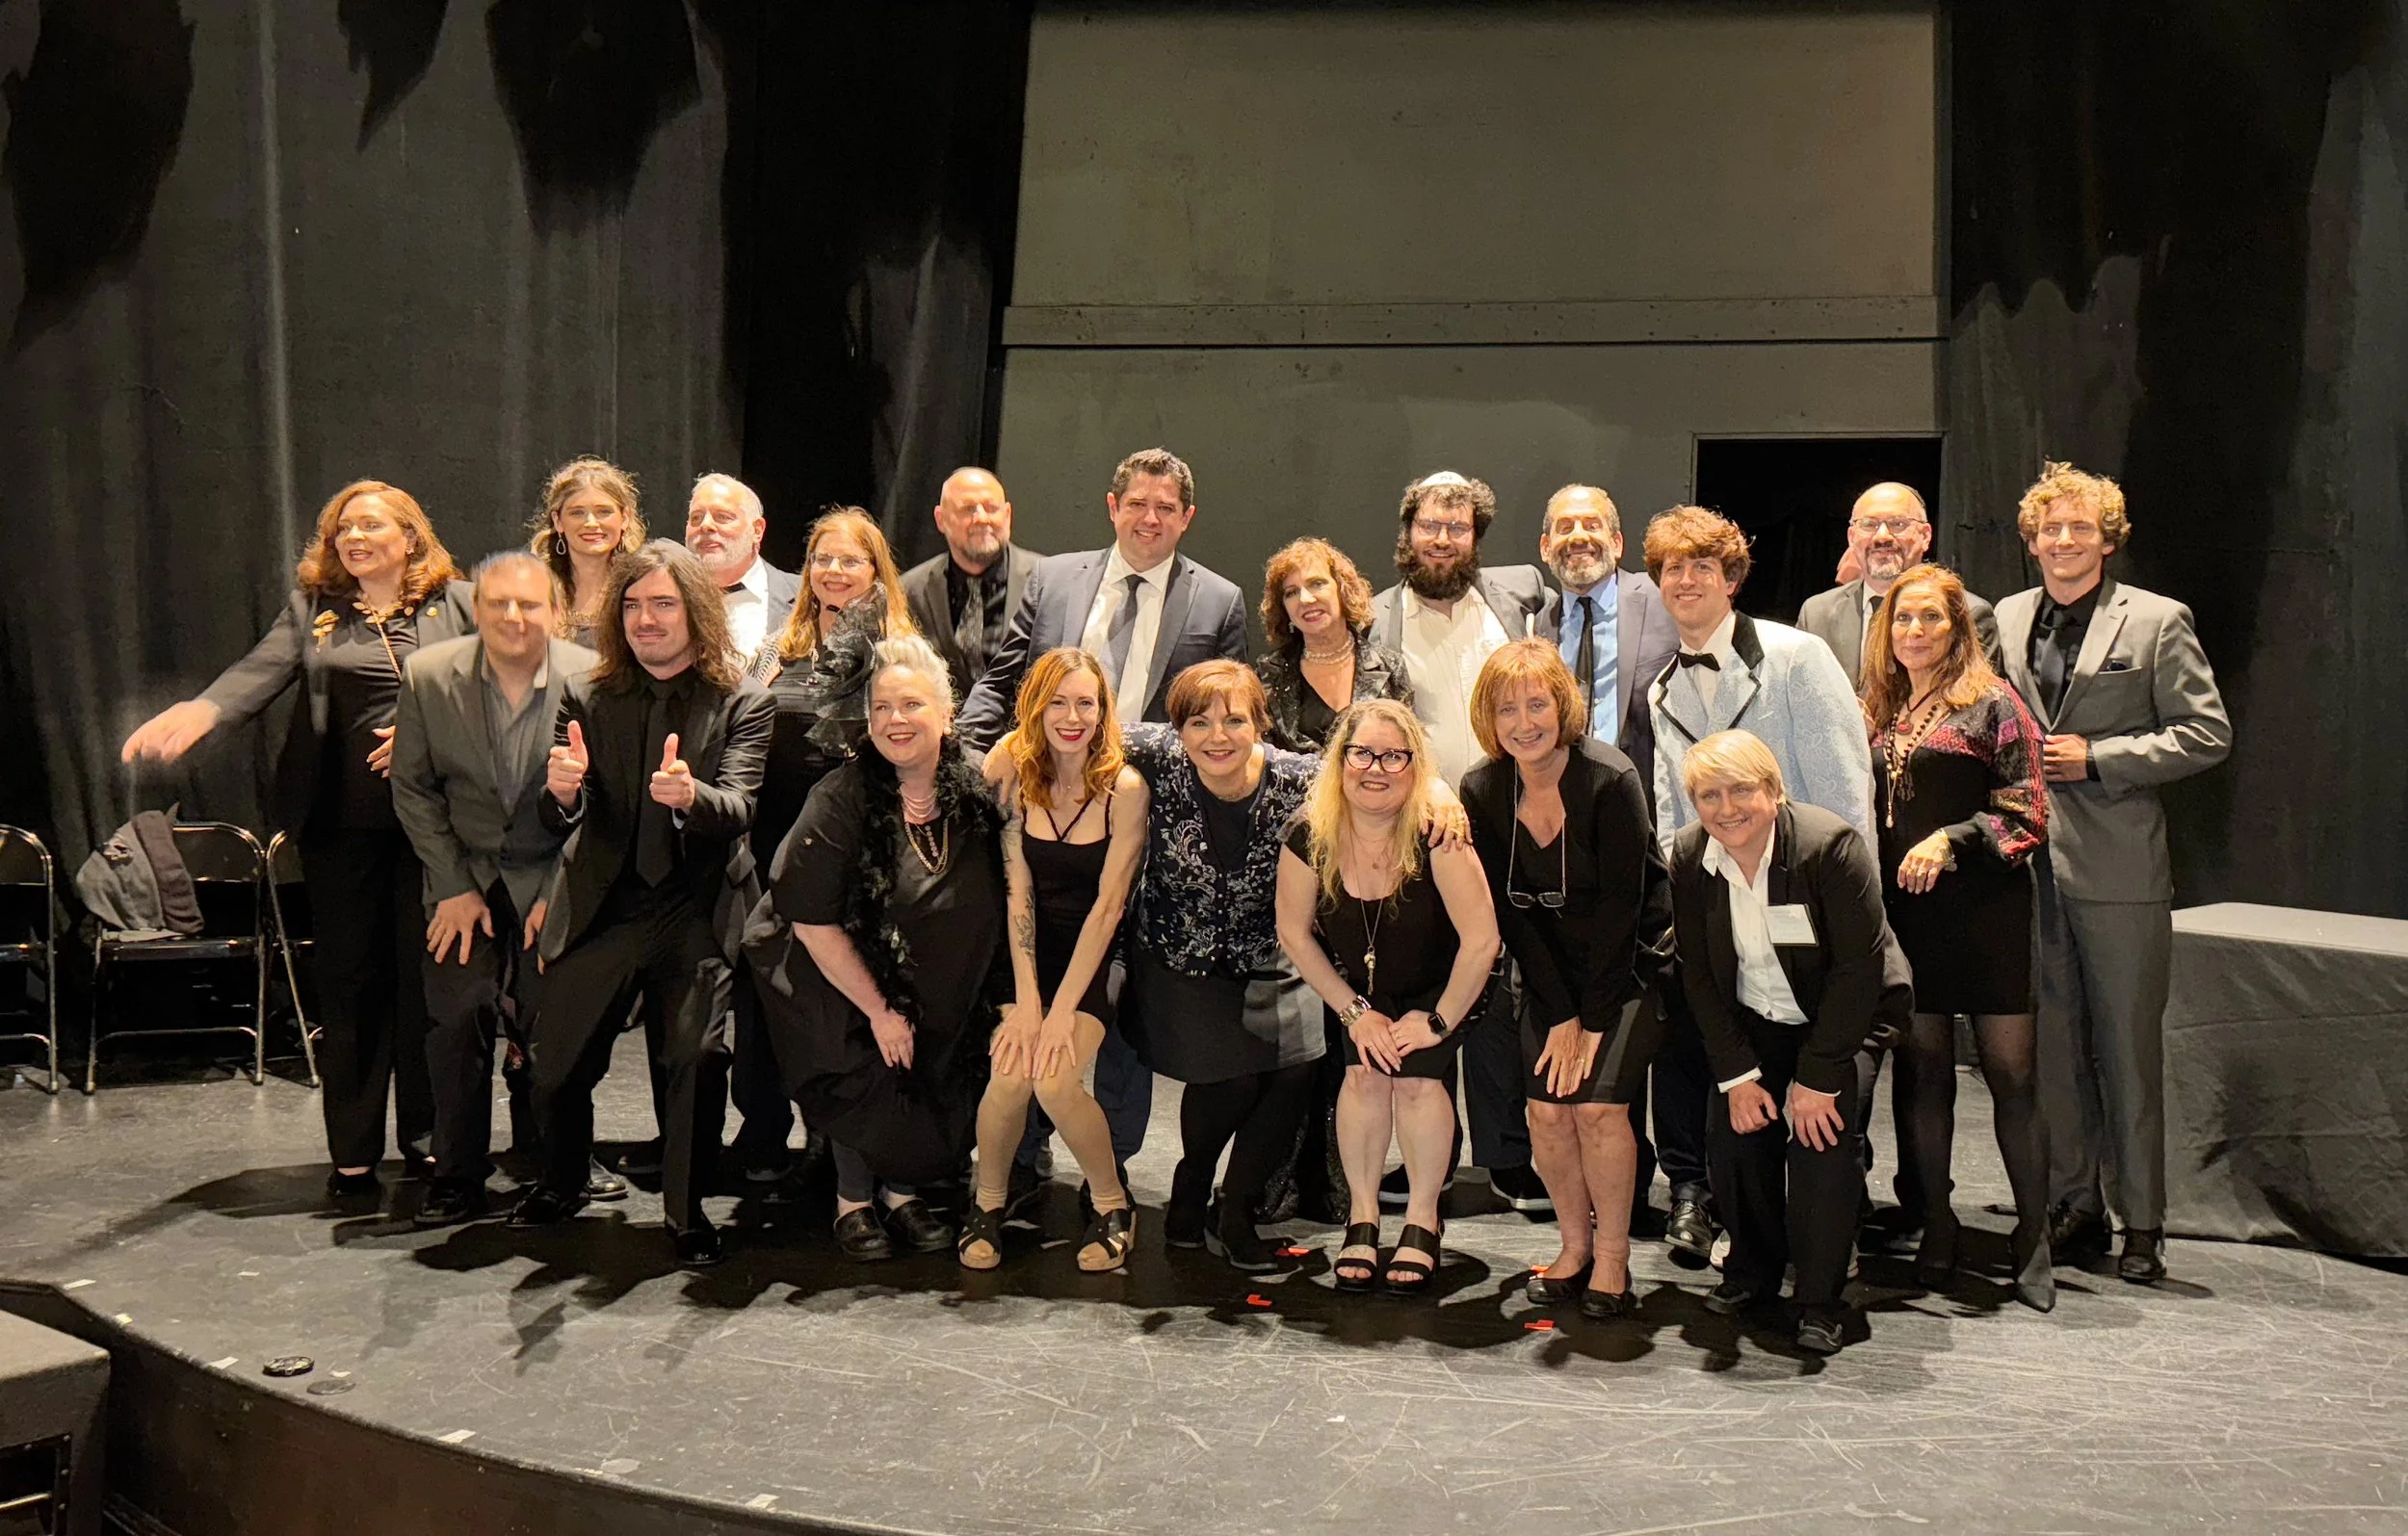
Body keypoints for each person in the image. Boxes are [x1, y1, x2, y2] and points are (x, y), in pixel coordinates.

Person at [122, 481, 472, 1201]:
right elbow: (258, 672)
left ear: (410, 536)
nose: (354, 537)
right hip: (341, 833)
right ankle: (352, 1151)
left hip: (437, 833)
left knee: (427, 989)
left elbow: (502, 689)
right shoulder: (314, 612)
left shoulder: (460, 605)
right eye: (344, 528)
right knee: (348, 988)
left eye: (371, 525)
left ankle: (431, 1142)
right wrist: (204, 707)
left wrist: (427, 735)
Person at [507, 541, 773, 1269]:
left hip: (696, 906)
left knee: (694, 1056)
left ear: (695, 609)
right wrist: (560, 793)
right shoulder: (588, 696)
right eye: (632, 605)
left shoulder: (741, 698)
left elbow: (742, 804)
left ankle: (685, 1215)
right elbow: (561, 809)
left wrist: (693, 799)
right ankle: (562, 1182)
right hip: (608, 901)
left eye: (663, 604)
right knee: (553, 1064)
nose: (646, 619)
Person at [1996, 463, 2230, 1284]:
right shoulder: (2009, 615)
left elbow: (2206, 734)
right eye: (2050, 529)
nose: (2064, 540)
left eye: (2080, 528)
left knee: (2127, 1050)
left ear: (2108, 537)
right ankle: (2076, 1205)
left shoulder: (2159, 621)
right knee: (2054, 1048)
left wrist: (2099, 758)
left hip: (2122, 868)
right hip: (2029, 867)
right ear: (2032, 540)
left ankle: (2144, 1222)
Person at [1642, 504, 1873, 1268]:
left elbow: (1845, 792)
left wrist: (1848, 903)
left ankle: (1829, 1215)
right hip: (1725, 914)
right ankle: (1725, 1213)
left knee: (1822, 1065)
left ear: (1732, 576)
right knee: (1729, 1062)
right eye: (1672, 568)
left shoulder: (1797, 657)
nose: (1686, 580)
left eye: (1702, 566)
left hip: (1811, 904)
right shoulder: (1660, 687)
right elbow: (1677, 815)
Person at [743, 635, 1008, 1263]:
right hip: (828, 968)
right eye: (883, 707)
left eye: (912, 704)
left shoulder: (971, 790)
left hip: (932, 970)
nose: (896, 719)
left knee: (928, 1055)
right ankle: (853, 1199)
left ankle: (899, 1190)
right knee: (864, 1047)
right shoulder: (841, 799)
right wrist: (880, 1010)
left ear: (946, 714)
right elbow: (812, 922)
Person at [1666, 731, 1912, 1355]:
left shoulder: (1829, 847)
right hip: (1759, 1015)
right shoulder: (1692, 858)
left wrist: (1820, 1074)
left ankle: (1819, 1298)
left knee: (1820, 1141)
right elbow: (1696, 970)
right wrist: (1736, 1073)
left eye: (1742, 789)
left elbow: (1857, 971)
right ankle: (1753, 1270)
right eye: (1709, 795)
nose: (1727, 807)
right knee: (1733, 1133)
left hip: (1845, 1018)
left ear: (1774, 792)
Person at [388, 551, 614, 1225]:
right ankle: (457, 1174)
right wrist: (453, 885)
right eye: (498, 604)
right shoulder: (429, 676)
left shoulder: (595, 679)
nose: (514, 617)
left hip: (556, 875)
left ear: (556, 611)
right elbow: (413, 787)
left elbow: (607, 800)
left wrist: (561, 890)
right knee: (457, 1019)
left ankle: (558, 1169)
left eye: (530, 604)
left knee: (556, 1030)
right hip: (466, 881)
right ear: (476, 608)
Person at [1461, 641, 1673, 1317]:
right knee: (1548, 1111)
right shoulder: (1482, 788)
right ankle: (1574, 1246)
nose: (1525, 722)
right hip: (1547, 968)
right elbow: (1509, 914)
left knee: (1599, 1108)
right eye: (1507, 709)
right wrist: (1558, 1011)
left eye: (1537, 703)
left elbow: (1622, 909)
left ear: (1563, 705)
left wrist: (1590, 1017)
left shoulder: (1611, 779)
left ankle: (1612, 1255)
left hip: (1631, 963)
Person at [1865, 565, 2056, 1310]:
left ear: (1958, 628)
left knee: (2012, 1078)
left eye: (1930, 619)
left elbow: (2028, 811)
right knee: (1925, 1077)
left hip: (1987, 914)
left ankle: (2032, 1234)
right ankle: (1938, 1225)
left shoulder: (1994, 701)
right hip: (1909, 917)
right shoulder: (1882, 706)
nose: (1914, 631)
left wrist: (1954, 838)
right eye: (1902, 619)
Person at [1364, 470, 1551, 1214]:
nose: (1443, 539)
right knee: (1423, 986)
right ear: (1406, 532)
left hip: (1502, 822)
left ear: (1476, 537)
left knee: (1501, 997)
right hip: (1414, 825)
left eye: (1458, 526)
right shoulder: (1374, 617)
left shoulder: (1517, 602)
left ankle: (1506, 1156)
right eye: (1430, 525)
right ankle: (1422, 1159)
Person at [1276, 700, 1501, 1295]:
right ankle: (1365, 1215)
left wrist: (1436, 1021)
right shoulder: (1309, 834)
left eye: (1395, 756)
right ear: (1341, 760)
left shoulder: (1438, 834)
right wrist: (1353, 1012)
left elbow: (1482, 942)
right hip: (1360, 988)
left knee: (1421, 1082)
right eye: (1362, 753)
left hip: (1445, 983)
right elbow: (1293, 933)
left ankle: (1424, 1217)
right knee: (1364, 1080)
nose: (1376, 768)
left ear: (1415, 766)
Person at [1117, 662, 1327, 1268]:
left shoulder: (1300, 778)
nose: (1217, 736)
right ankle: (1191, 1187)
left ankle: (1235, 1208)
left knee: (1296, 1069)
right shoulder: (1158, 755)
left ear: (1260, 724)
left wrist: (1442, 792)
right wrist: (1004, 752)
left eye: (1235, 720)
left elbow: (1383, 761)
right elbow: (1072, 725)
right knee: (1231, 1077)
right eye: (1199, 721)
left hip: (1271, 953)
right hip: (1179, 956)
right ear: (1176, 728)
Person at [731, 508, 918, 1187]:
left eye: (850, 560)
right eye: (822, 559)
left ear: (876, 571)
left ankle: (843, 1142)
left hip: (857, 845)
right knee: (773, 992)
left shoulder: (898, 647)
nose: (834, 571)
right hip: (774, 837)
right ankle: (766, 1129)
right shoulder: (779, 644)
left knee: (845, 998)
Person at [958, 648, 1148, 1272]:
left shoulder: (1124, 788)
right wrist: (1028, 1001)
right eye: (1058, 702)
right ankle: (986, 1204)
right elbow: (1015, 889)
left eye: (1086, 703)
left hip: (1095, 954)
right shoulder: (1011, 767)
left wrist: (1062, 1009)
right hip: (1023, 951)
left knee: (1056, 1078)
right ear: (1036, 708)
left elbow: (1109, 905)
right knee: (1012, 1072)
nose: (1072, 717)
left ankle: (1112, 1203)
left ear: (1103, 710)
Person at [956, 447, 1248, 752]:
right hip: (1050, 776)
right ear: (1113, 507)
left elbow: (1230, 715)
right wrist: (959, 755)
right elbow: (999, 686)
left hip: (1159, 788)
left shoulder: (1219, 603)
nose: (1150, 519)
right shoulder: (1052, 581)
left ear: (1186, 517)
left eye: (1165, 508)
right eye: (1136, 504)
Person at [1533, 485, 1680, 794]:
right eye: (1565, 527)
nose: (1578, 537)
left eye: (1592, 525)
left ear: (1616, 543)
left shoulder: (1666, 602)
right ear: (1546, 548)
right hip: (1567, 803)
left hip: (1650, 800)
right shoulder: (1539, 625)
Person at [1796, 483, 2001, 689]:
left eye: (1898, 524)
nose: (1882, 536)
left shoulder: (1968, 613)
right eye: (1869, 524)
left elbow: (1974, 706)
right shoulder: (1816, 615)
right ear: (1851, 538)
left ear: (1925, 536)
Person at [1254, 537, 1415, 755]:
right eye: (1291, 592)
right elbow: (1265, 761)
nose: (1306, 599)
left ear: (1342, 589)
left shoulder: (1390, 666)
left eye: (1317, 583)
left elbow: (1409, 750)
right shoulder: (1269, 674)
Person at [902, 467, 1044, 704]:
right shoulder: (909, 591)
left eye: (991, 508)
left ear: (1008, 515)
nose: (981, 518)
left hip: (1025, 736)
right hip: (944, 736)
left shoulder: (1047, 582)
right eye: (968, 509)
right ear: (941, 519)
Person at [684, 472, 800, 677]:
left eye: (722, 517)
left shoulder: (804, 597)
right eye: (696, 518)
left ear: (757, 530)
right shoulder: (665, 598)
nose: (706, 525)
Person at [526, 456, 646, 647]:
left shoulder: (644, 587)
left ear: (624, 518)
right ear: (558, 521)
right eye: (577, 512)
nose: (591, 523)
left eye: (604, 512)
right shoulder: (531, 591)